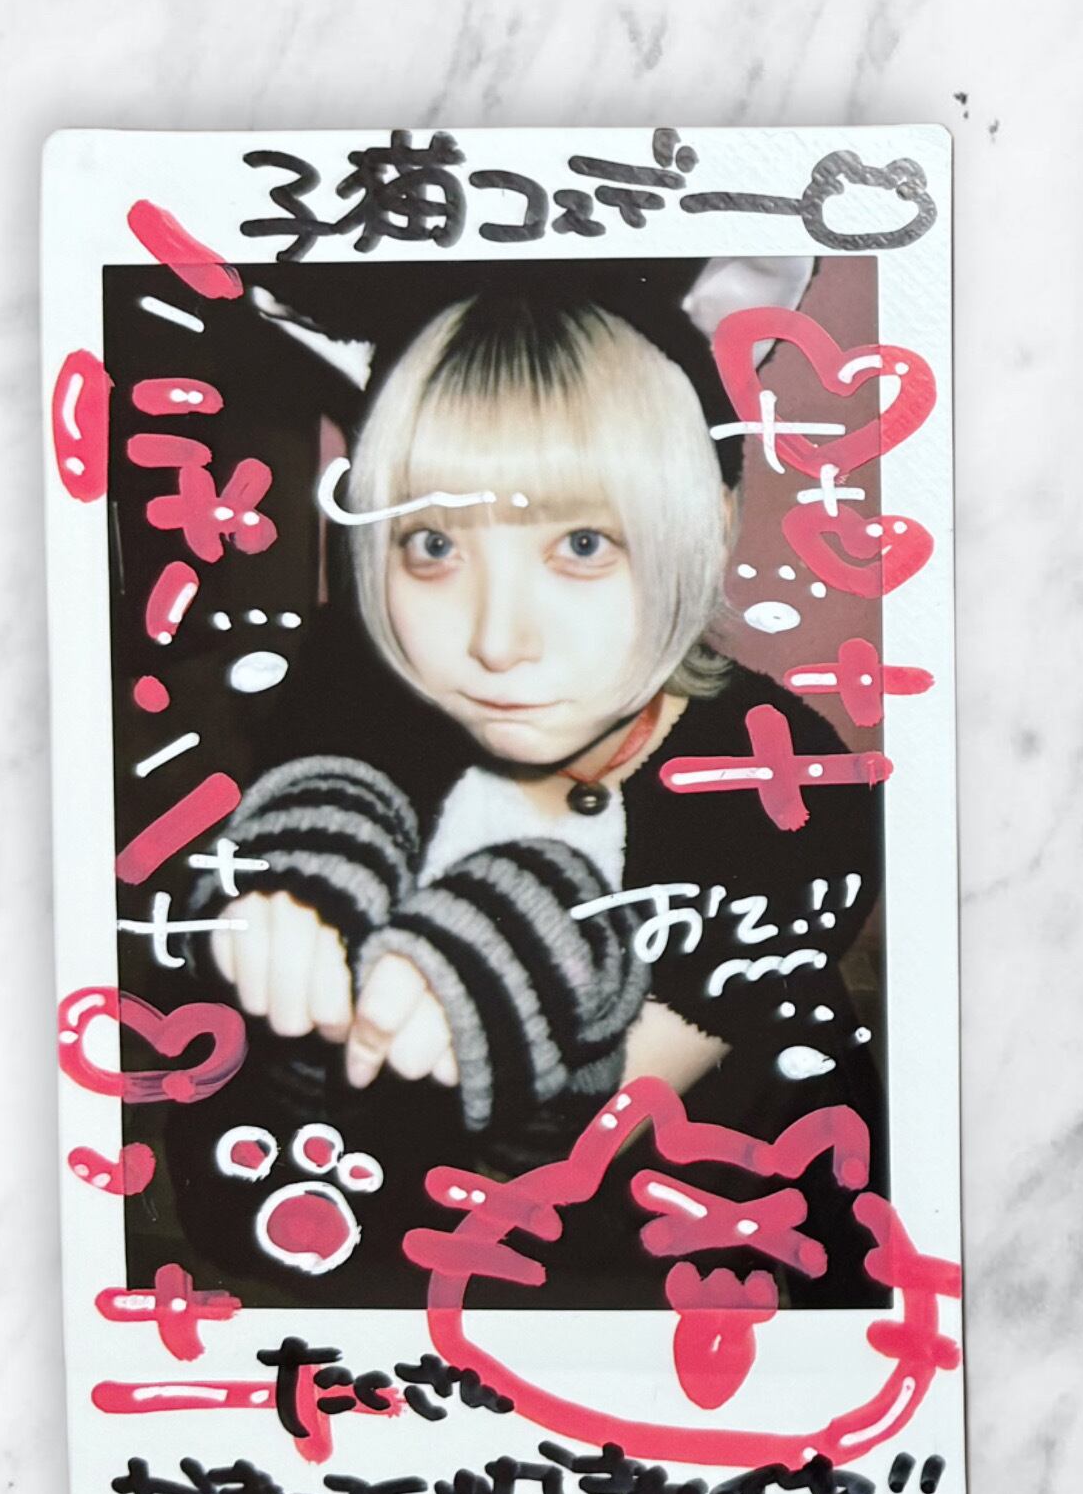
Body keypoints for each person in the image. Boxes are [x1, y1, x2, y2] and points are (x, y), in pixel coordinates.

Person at [205, 292, 882, 1165]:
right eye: (434, 546)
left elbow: (568, 1158)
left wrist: (517, 968)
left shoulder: (794, 796)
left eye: (584, 545)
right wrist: (283, 921)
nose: (496, 643)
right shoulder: (348, 683)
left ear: (709, 532)